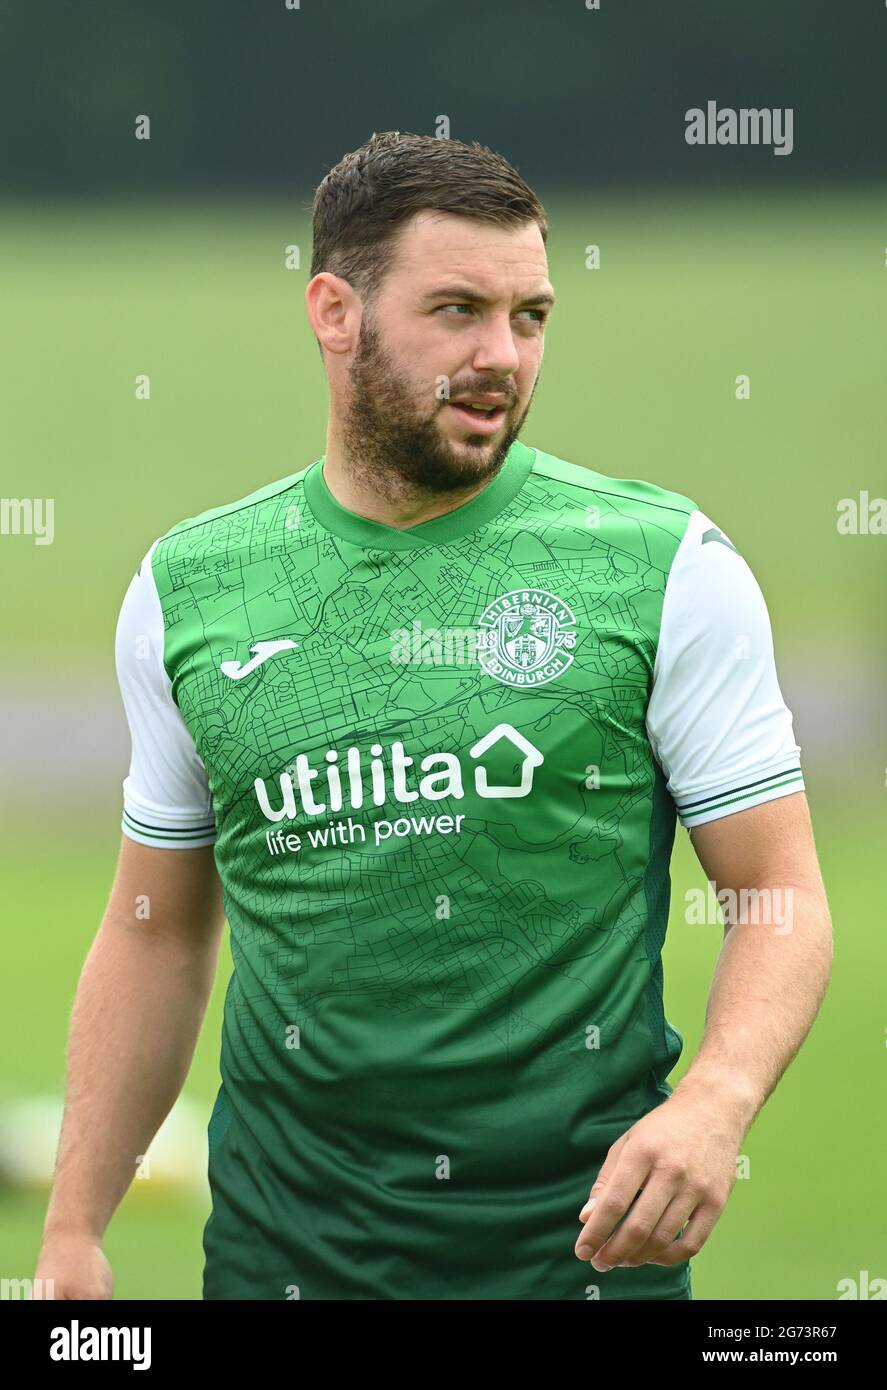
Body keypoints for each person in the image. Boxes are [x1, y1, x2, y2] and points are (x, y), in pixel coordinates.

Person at [35, 131, 832, 1300]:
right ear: (333, 311)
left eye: (530, 315)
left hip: (577, 1268)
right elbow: (156, 929)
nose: (500, 356)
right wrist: (72, 1230)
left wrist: (715, 1100)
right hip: (279, 1266)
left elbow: (779, 893)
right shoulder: (188, 587)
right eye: (456, 309)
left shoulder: (665, 565)